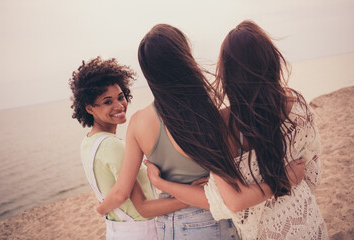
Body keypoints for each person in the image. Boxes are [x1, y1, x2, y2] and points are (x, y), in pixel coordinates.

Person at [96, 24, 304, 240]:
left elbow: (137, 203)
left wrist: (102, 208)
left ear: (149, 72)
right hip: (224, 217)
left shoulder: (138, 123)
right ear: (184, 57)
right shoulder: (213, 110)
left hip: (176, 225)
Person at [144, 20, 328, 240]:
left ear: (227, 73)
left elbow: (230, 202)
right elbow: (312, 172)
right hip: (308, 218)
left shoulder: (220, 128)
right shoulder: (297, 105)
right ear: (272, 61)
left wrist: (160, 183)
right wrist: (287, 181)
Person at [69, 57, 189, 240]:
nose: (119, 105)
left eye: (121, 97)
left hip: (117, 230)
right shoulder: (112, 145)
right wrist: (189, 199)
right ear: (90, 109)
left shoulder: (88, 142)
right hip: (141, 231)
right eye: (107, 101)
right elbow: (133, 202)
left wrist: (102, 208)